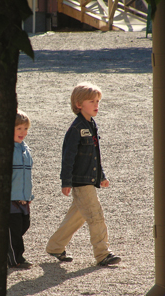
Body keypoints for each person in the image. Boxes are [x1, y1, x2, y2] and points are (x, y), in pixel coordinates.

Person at [46, 82, 121, 266]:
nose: (96, 104)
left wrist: (101, 176)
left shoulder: (91, 125)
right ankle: (103, 254)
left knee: (77, 216)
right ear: (79, 104)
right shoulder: (76, 128)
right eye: (91, 101)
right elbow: (68, 157)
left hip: (89, 179)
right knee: (95, 215)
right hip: (81, 182)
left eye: (98, 101)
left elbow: (95, 155)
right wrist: (66, 181)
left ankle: (55, 246)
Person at [7, 110, 34, 269]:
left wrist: (29, 194)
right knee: (14, 230)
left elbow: (27, 175)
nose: (23, 132)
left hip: (23, 198)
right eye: (19, 128)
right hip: (10, 198)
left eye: (25, 129)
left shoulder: (26, 149)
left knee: (24, 225)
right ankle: (15, 258)